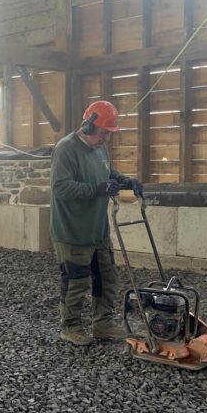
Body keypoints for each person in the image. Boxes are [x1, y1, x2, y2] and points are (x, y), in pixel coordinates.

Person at [49, 100, 144, 346]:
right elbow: (60, 188)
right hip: (72, 230)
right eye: (104, 133)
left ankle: (103, 324)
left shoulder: (100, 148)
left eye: (109, 134)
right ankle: (70, 327)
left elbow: (108, 172)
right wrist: (97, 189)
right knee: (76, 281)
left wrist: (126, 182)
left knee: (107, 277)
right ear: (88, 126)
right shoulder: (66, 149)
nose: (106, 139)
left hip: (98, 230)